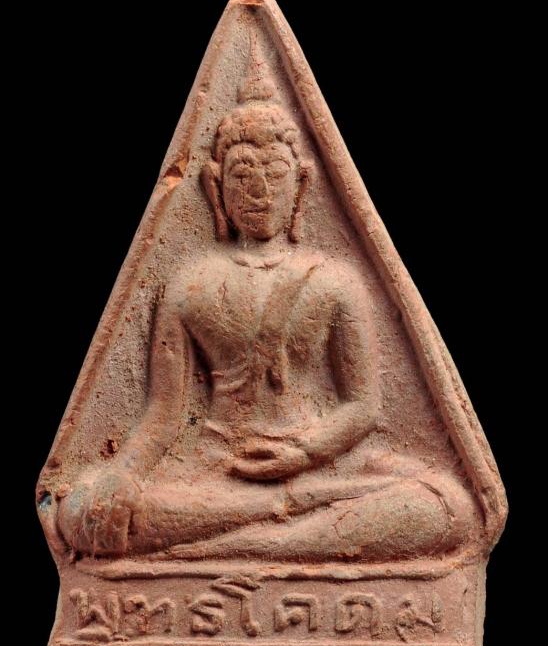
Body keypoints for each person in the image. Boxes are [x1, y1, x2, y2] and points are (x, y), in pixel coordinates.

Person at [56, 54, 479, 561]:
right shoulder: (190, 283)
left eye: (276, 174)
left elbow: (363, 406)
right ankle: (283, 532)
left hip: (319, 470)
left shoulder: (336, 281)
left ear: (301, 183)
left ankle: (248, 543)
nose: (259, 191)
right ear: (215, 184)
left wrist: (304, 451)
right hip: (216, 471)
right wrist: (123, 473)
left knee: (451, 506)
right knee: (81, 511)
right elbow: (164, 414)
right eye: (242, 175)